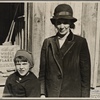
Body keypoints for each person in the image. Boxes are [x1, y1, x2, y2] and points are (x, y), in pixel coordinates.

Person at [39, 4, 91, 97]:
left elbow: (85, 75)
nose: (62, 26)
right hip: (52, 93)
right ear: (55, 23)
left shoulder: (80, 42)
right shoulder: (48, 43)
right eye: (59, 22)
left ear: (70, 24)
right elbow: (42, 72)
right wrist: (42, 93)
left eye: (65, 22)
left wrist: (85, 97)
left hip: (72, 93)